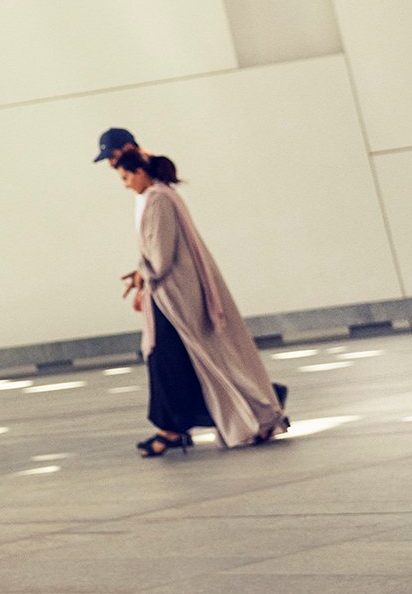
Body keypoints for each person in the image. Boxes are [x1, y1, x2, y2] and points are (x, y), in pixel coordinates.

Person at [111, 140, 289, 453]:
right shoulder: (165, 196)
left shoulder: (157, 200)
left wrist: (143, 272)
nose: (125, 186)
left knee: (175, 360)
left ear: (140, 172)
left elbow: (161, 257)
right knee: (189, 361)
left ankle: (257, 410)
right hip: (174, 295)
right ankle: (249, 411)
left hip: (174, 297)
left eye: (126, 178)